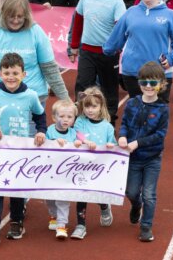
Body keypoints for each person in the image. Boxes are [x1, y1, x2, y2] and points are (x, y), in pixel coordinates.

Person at [0, 53, 47, 245]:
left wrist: (41, 131)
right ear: (0, 74)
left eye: (15, 73)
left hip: (20, 151)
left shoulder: (31, 95)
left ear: (24, 74)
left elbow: (40, 117)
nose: (11, 77)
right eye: (7, 72)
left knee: (16, 189)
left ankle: (16, 222)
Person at [0, 0, 69, 108]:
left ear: (26, 16)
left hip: (33, 98)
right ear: (4, 14)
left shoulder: (36, 32)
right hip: (1, 98)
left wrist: (66, 99)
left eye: (20, 16)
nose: (15, 20)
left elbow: (50, 69)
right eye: (11, 16)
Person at [103, 0, 173, 103]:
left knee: (158, 115)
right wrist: (106, 50)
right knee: (136, 112)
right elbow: (116, 37)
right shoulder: (131, 12)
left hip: (159, 73)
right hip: (132, 72)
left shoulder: (169, 14)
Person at [118, 61, 169, 242]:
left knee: (149, 195)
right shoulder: (132, 103)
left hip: (152, 159)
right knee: (131, 192)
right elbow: (124, 124)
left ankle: (146, 226)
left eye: (153, 83)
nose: (148, 86)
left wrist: (137, 143)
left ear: (161, 84)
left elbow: (160, 134)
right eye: (144, 82)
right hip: (133, 158)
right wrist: (123, 136)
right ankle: (135, 205)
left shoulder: (162, 108)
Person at [70, 0, 126, 125]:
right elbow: (78, 21)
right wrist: (74, 45)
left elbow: (119, 28)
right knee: (82, 86)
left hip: (107, 54)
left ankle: (109, 123)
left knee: (109, 89)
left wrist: (116, 48)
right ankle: (80, 120)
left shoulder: (117, 2)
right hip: (87, 50)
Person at [71, 86, 116, 239]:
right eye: (87, 106)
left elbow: (113, 145)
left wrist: (111, 145)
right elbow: (77, 135)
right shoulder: (80, 122)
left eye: (94, 106)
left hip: (99, 168)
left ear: (101, 106)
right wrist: (84, 141)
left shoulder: (107, 127)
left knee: (98, 194)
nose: (90, 110)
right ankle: (80, 224)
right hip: (82, 166)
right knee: (81, 195)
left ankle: (104, 206)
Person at [46, 99, 81, 239]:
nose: (65, 120)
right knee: (49, 198)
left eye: (69, 117)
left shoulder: (74, 133)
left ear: (73, 119)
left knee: (62, 199)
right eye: (61, 116)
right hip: (50, 172)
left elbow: (84, 141)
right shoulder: (49, 130)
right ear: (54, 117)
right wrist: (54, 142)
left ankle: (62, 225)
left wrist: (80, 142)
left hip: (66, 174)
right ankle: (53, 216)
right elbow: (43, 146)